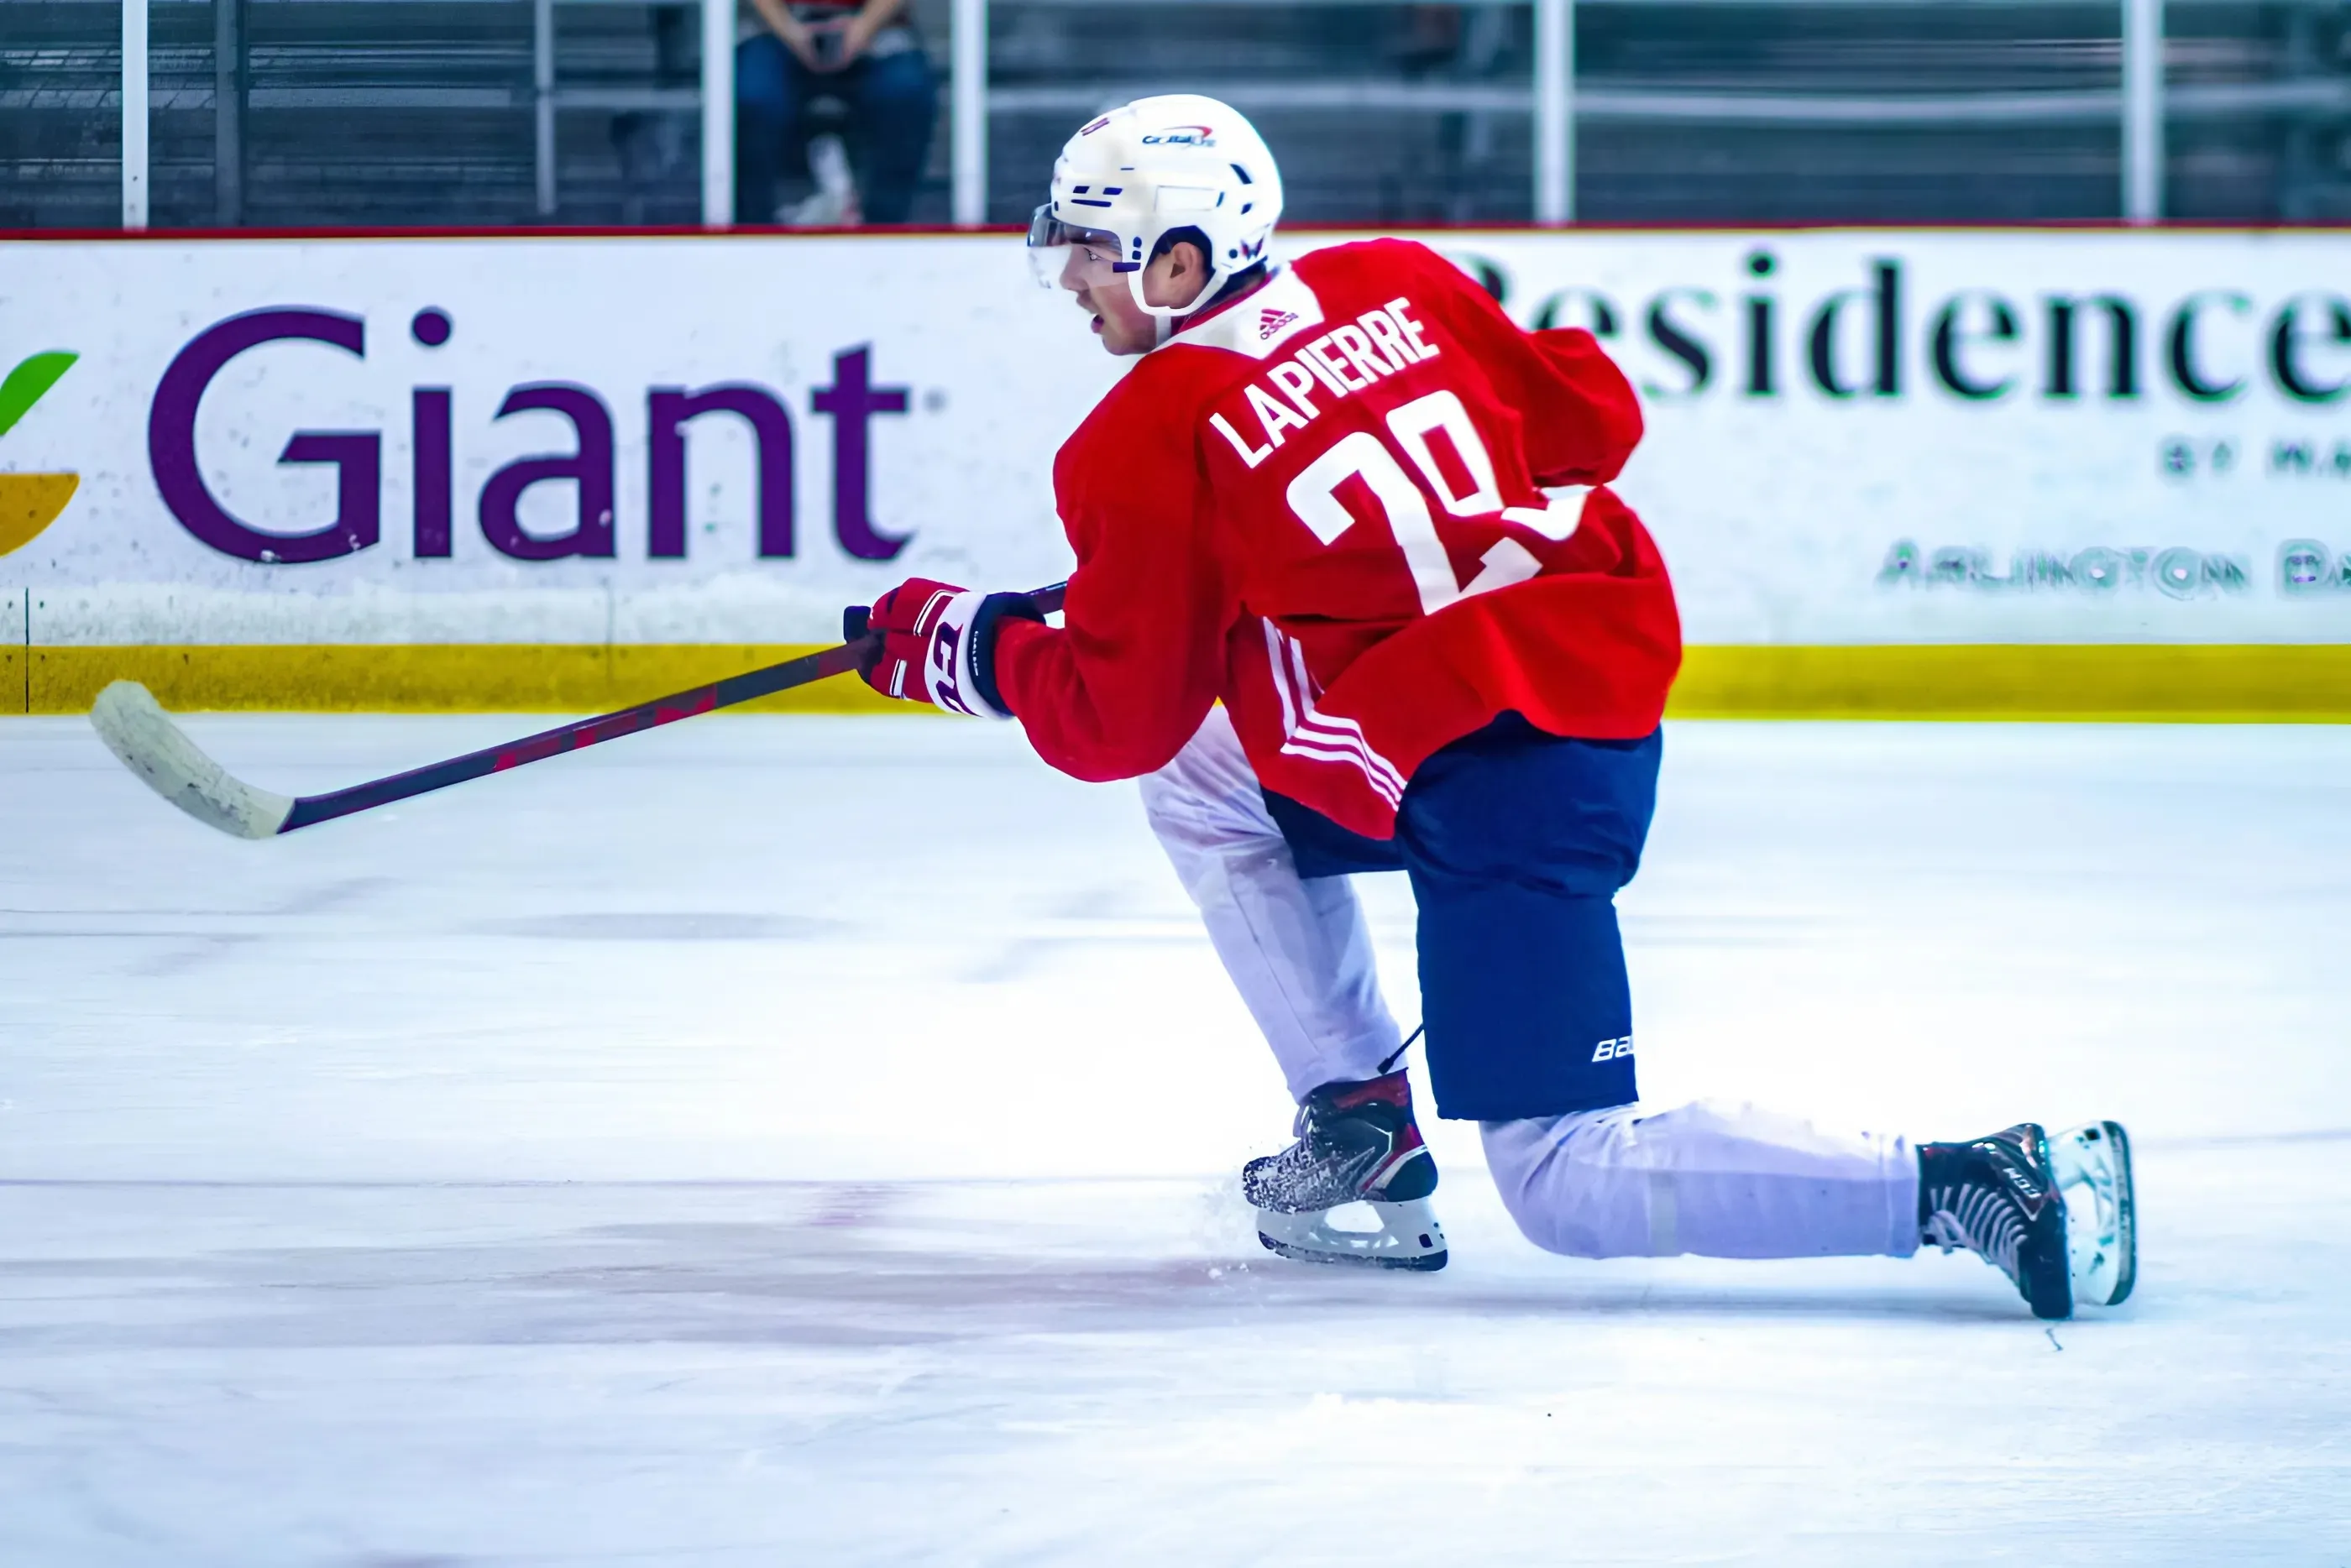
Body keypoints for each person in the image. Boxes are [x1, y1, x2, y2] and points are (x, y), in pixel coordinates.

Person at [846, 96, 2136, 1320]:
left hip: (1496, 774)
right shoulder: (1394, 277)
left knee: (1564, 1179)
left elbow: (1116, 710)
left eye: (1088, 251)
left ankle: (1977, 1180)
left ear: (1177, 263)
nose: (1069, 279)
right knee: (1201, 774)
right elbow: (1594, 418)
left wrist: (967, 649)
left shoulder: (1138, 436)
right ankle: (1360, 1123)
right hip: (1583, 680)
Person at [736, 0, 935, 224]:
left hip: (880, 28)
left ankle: (884, 228)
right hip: (776, 29)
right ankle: (754, 228)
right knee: (751, 96)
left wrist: (864, 26)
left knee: (906, 91)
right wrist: (788, 30)